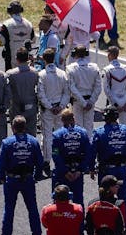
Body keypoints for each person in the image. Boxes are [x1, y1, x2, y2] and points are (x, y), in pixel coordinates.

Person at [0, 115, 45, 235]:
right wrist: (36, 176)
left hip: (12, 179)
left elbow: (1, 162)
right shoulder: (33, 141)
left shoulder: (7, 142)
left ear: (13, 128)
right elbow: (40, 162)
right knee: (32, 208)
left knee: (9, 208)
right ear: (25, 127)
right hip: (28, 179)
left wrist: (1, 177)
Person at [92, 104, 126, 235]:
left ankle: (106, 225)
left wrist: (90, 168)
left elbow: (93, 151)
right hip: (121, 169)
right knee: (124, 198)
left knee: (105, 199)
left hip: (106, 172)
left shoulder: (99, 132)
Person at [38, 47, 70, 175]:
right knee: (59, 136)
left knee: (47, 136)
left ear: (44, 60)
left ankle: (46, 161)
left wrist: (50, 107)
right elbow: (67, 93)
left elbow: (41, 94)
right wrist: (60, 106)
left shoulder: (42, 74)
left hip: (48, 110)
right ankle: (60, 160)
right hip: (60, 109)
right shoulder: (62, 73)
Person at [51, 108, 90, 207]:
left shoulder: (56, 135)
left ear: (62, 120)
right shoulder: (83, 133)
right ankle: (79, 222)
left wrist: (65, 171)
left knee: (59, 203)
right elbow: (88, 153)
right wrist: (80, 170)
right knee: (78, 202)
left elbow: (55, 155)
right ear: (74, 119)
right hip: (77, 171)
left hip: (62, 174)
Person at [66, 44, 101, 137]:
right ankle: (89, 149)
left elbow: (72, 88)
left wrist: (83, 102)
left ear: (74, 54)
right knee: (89, 127)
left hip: (77, 102)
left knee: (78, 127)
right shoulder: (94, 67)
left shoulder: (70, 68)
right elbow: (98, 87)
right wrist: (90, 101)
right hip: (90, 102)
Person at [6, 47, 39, 136]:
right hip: (31, 108)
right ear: (28, 58)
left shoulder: (10, 74)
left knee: (17, 136)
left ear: (17, 58)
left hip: (16, 108)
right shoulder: (35, 72)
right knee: (31, 136)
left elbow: (7, 94)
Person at [0, 0, 34, 71]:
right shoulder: (29, 24)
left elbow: (1, 42)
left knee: (11, 79)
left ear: (9, 10)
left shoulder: (6, 24)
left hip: (10, 60)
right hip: (25, 59)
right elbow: (33, 40)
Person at [103, 45, 126, 124]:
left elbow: (106, 89)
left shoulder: (107, 69)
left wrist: (115, 104)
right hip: (124, 101)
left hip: (112, 102)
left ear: (110, 55)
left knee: (110, 126)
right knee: (124, 125)